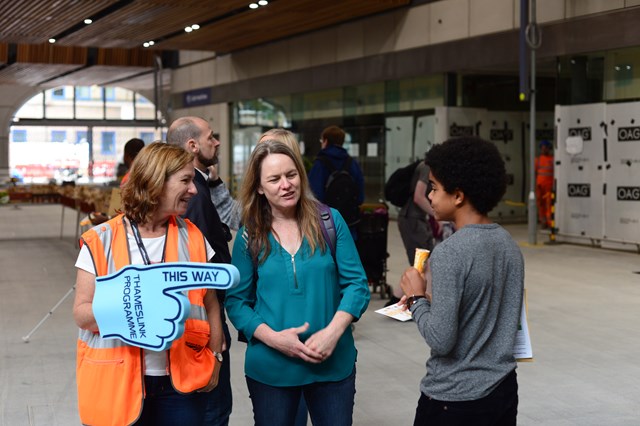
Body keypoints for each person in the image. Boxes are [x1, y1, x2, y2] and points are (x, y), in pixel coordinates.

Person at [73, 142, 223, 426]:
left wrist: (216, 356)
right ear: (156, 182)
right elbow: (81, 314)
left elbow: (211, 303)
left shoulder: (193, 237)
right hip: (116, 381)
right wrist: (133, 305)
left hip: (181, 384)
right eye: (186, 181)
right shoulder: (100, 240)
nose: (193, 190)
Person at [225, 139, 370, 426]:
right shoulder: (249, 235)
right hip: (271, 369)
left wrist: (333, 332)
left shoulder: (329, 221)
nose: (286, 185)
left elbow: (357, 285)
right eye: (274, 179)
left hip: (332, 366)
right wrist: (273, 339)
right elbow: (237, 301)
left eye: (291, 175)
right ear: (259, 187)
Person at [399, 136, 524, 426]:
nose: (429, 196)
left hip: (453, 399)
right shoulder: (508, 245)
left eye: (434, 188)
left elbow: (442, 340)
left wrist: (417, 299)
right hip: (503, 389)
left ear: (457, 195)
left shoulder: (449, 253)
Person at [167, 117, 233, 426]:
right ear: (192, 145)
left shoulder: (198, 185)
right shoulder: (191, 195)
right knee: (211, 410)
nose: (216, 142)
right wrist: (215, 342)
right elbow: (202, 273)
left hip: (202, 327)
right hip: (203, 330)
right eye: (211, 137)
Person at [387, 158, 438, 306]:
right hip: (412, 219)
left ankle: (396, 301)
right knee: (423, 263)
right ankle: (414, 302)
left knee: (422, 263)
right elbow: (418, 196)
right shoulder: (427, 167)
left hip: (416, 219)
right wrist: (435, 214)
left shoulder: (426, 167)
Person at [308, 125, 364, 238]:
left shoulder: (320, 164)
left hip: (326, 226)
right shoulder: (352, 163)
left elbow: (313, 196)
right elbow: (360, 197)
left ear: (326, 141)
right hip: (350, 223)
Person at [535, 139, 554, 229]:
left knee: (549, 204)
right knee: (540, 204)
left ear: (549, 149)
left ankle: (549, 222)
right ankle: (543, 221)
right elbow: (535, 172)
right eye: (542, 148)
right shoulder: (537, 160)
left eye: (545, 148)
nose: (544, 149)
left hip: (549, 186)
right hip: (540, 186)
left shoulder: (553, 159)